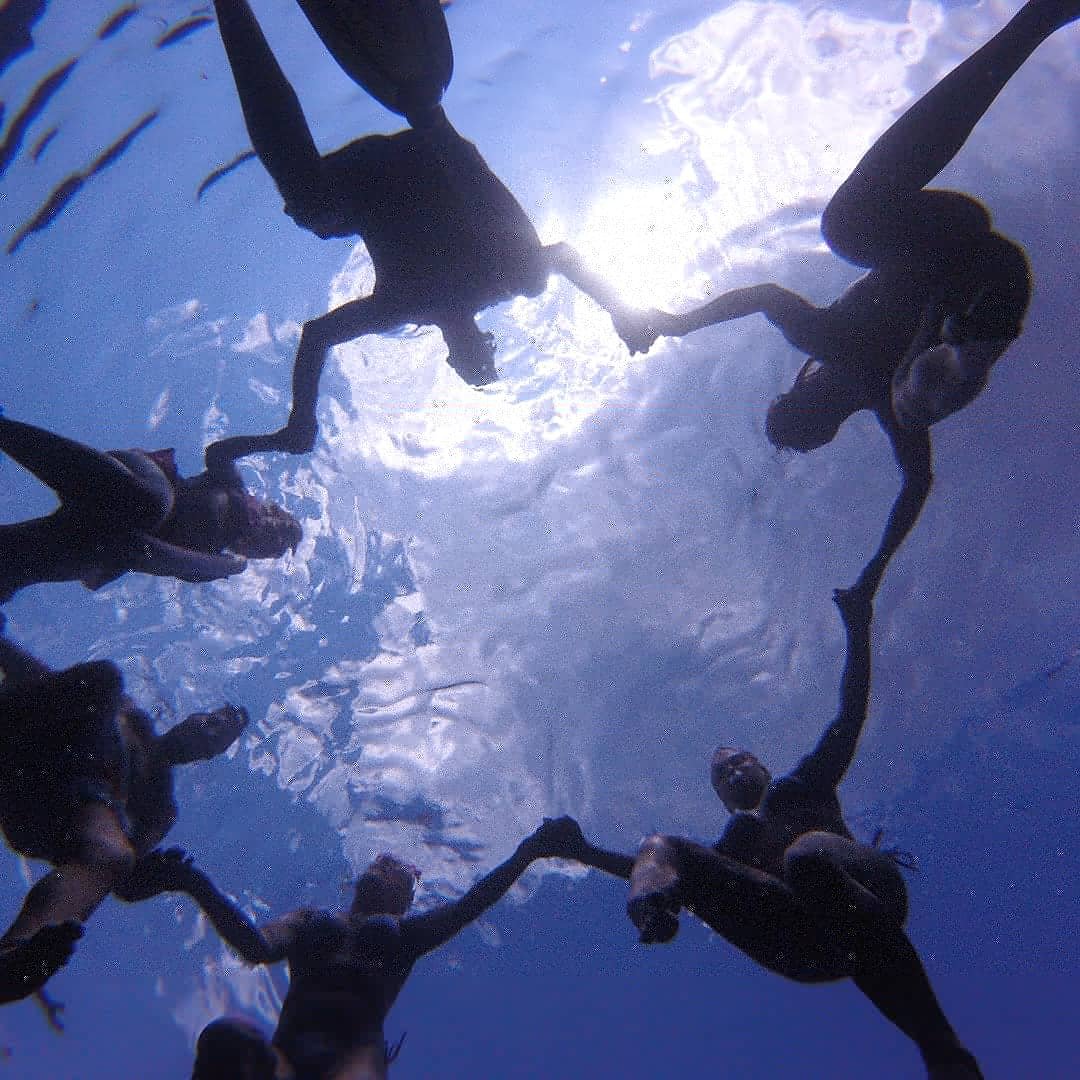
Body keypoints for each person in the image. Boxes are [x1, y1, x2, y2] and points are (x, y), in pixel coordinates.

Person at [647, 0, 1079, 602]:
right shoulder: (853, 370)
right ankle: (1033, 24)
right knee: (850, 232)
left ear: (812, 390)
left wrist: (875, 572)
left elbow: (917, 485)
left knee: (855, 239)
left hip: (971, 266)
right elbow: (916, 484)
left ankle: (1035, 23)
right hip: (977, 281)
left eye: (819, 396)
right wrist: (674, 324)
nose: (829, 392)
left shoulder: (859, 377)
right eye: (823, 403)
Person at [201, 0, 655, 471]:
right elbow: (563, 256)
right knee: (530, 273)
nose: (473, 354)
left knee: (314, 211)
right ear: (487, 341)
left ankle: (233, 11)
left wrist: (301, 419)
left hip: (375, 177)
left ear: (451, 360)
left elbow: (318, 336)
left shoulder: (404, 307)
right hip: (429, 158)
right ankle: (428, 112)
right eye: (483, 358)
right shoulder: (497, 283)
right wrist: (621, 310)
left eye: (469, 366)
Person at [557, 590, 983, 1077]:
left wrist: (858, 627)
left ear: (760, 763)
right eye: (723, 776)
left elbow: (850, 713)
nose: (733, 773)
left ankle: (943, 1051)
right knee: (663, 846)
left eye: (739, 762)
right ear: (721, 798)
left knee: (805, 858)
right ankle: (651, 913)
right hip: (801, 945)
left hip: (869, 897)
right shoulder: (732, 846)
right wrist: (588, 853)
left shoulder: (804, 786)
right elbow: (672, 869)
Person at [120, 816, 588, 1079]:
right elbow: (255, 946)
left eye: (397, 869)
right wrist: (192, 882)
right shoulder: (307, 920)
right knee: (228, 1040)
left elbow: (471, 904)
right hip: (283, 1056)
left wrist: (526, 852)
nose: (384, 863)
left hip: (354, 1059)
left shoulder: (405, 937)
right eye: (382, 860)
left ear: (405, 898)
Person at [0, 618, 250, 1001]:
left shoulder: (159, 809)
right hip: (29, 745)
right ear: (192, 716)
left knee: (116, 853)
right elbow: (57, 692)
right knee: (104, 680)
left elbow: (122, 880)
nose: (209, 731)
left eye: (217, 739)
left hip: (42, 813)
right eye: (213, 722)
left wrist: (167, 878)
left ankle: (14, 955)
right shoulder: (130, 715)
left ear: (209, 756)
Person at [0, 411, 301, 602]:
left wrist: (230, 566)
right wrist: (277, 440)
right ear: (272, 513)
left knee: (73, 558)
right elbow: (219, 453)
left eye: (274, 549)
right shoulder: (235, 489)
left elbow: (158, 558)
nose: (272, 542)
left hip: (115, 531)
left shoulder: (219, 560)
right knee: (150, 504)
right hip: (141, 479)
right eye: (281, 531)